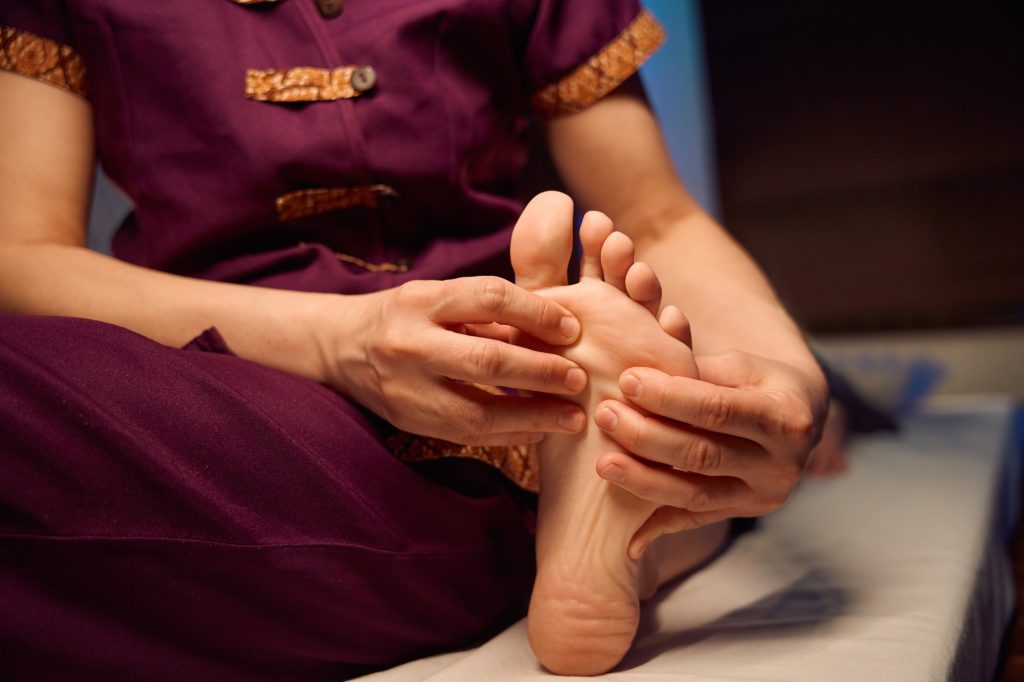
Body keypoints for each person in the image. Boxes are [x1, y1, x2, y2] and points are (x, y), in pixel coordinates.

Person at [0, 1, 828, 679]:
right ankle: (620, 505)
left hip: (484, 374)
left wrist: (790, 386)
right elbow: (20, 259)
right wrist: (338, 339)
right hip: (210, 362)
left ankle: (612, 470)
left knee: (586, 416)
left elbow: (660, 221)